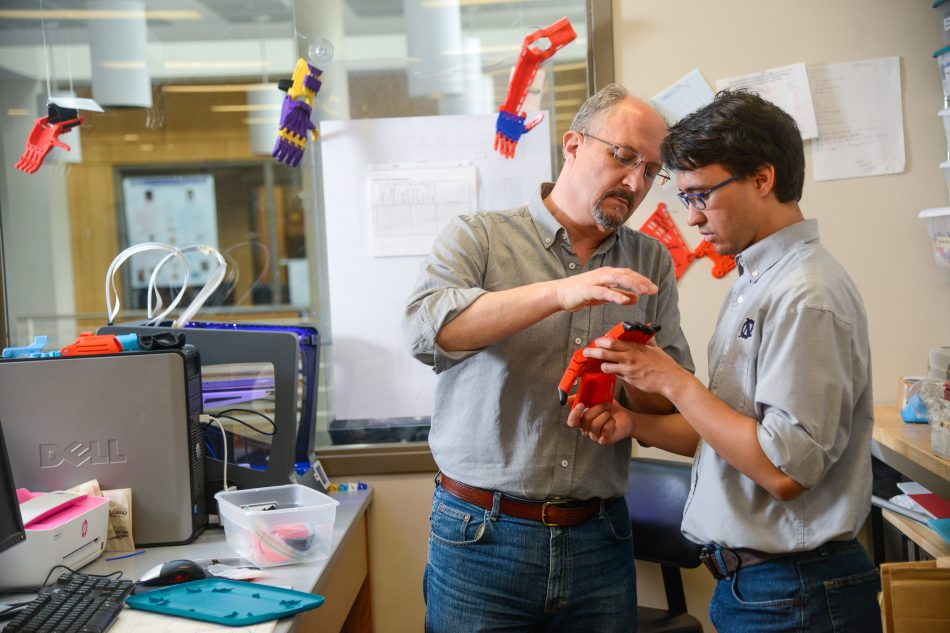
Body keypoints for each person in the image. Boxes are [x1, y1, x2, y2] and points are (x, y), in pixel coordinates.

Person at [569, 90, 881, 633]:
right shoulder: (757, 282)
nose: (691, 219)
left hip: (795, 591)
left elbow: (784, 471)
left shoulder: (805, 294)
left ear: (762, 179)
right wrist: (636, 422)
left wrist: (674, 383)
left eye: (700, 197)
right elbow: (734, 440)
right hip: (757, 588)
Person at [402, 83, 694, 632]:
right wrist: (561, 293)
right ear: (573, 144)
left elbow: (667, 404)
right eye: (624, 157)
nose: (635, 184)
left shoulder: (650, 258)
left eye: (651, 171)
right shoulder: (479, 237)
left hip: (600, 539)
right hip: (480, 536)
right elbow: (427, 332)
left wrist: (634, 366)